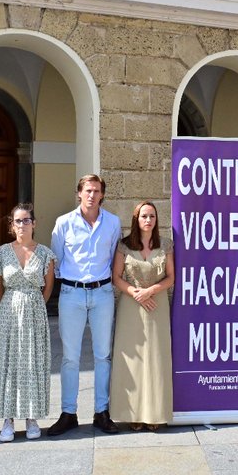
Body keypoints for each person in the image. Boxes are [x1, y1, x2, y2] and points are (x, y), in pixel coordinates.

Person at [48, 174, 123, 436]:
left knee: (103, 355)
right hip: (72, 293)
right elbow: (56, 257)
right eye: (87, 190)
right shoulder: (64, 223)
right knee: (70, 357)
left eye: (97, 191)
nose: (92, 195)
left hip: (102, 293)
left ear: (102, 194)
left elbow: (115, 255)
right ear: (79, 193)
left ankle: (102, 412)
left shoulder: (113, 222)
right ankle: (68, 412)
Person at [0, 203, 55, 442]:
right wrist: (11, 304)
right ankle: (8, 418)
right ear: (11, 225)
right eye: (18, 221)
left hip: (35, 311)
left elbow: (48, 288)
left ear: (34, 224)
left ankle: (31, 416)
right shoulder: (2, 252)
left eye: (27, 220)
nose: (22, 225)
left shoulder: (45, 253)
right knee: (8, 363)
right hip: (8, 311)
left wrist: (34, 304)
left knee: (32, 363)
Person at [110, 200, 175, 430]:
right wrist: (135, 292)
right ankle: (133, 413)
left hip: (157, 304)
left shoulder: (166, 245)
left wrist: (151, 291)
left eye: (152, 216)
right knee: (133, 360)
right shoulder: (124, 246)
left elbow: (170, 277)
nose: (148, 220)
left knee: (156, 358)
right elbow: (116, 277)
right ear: (136, 219)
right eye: (144, 216)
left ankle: (155, 413)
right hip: (131, 304)